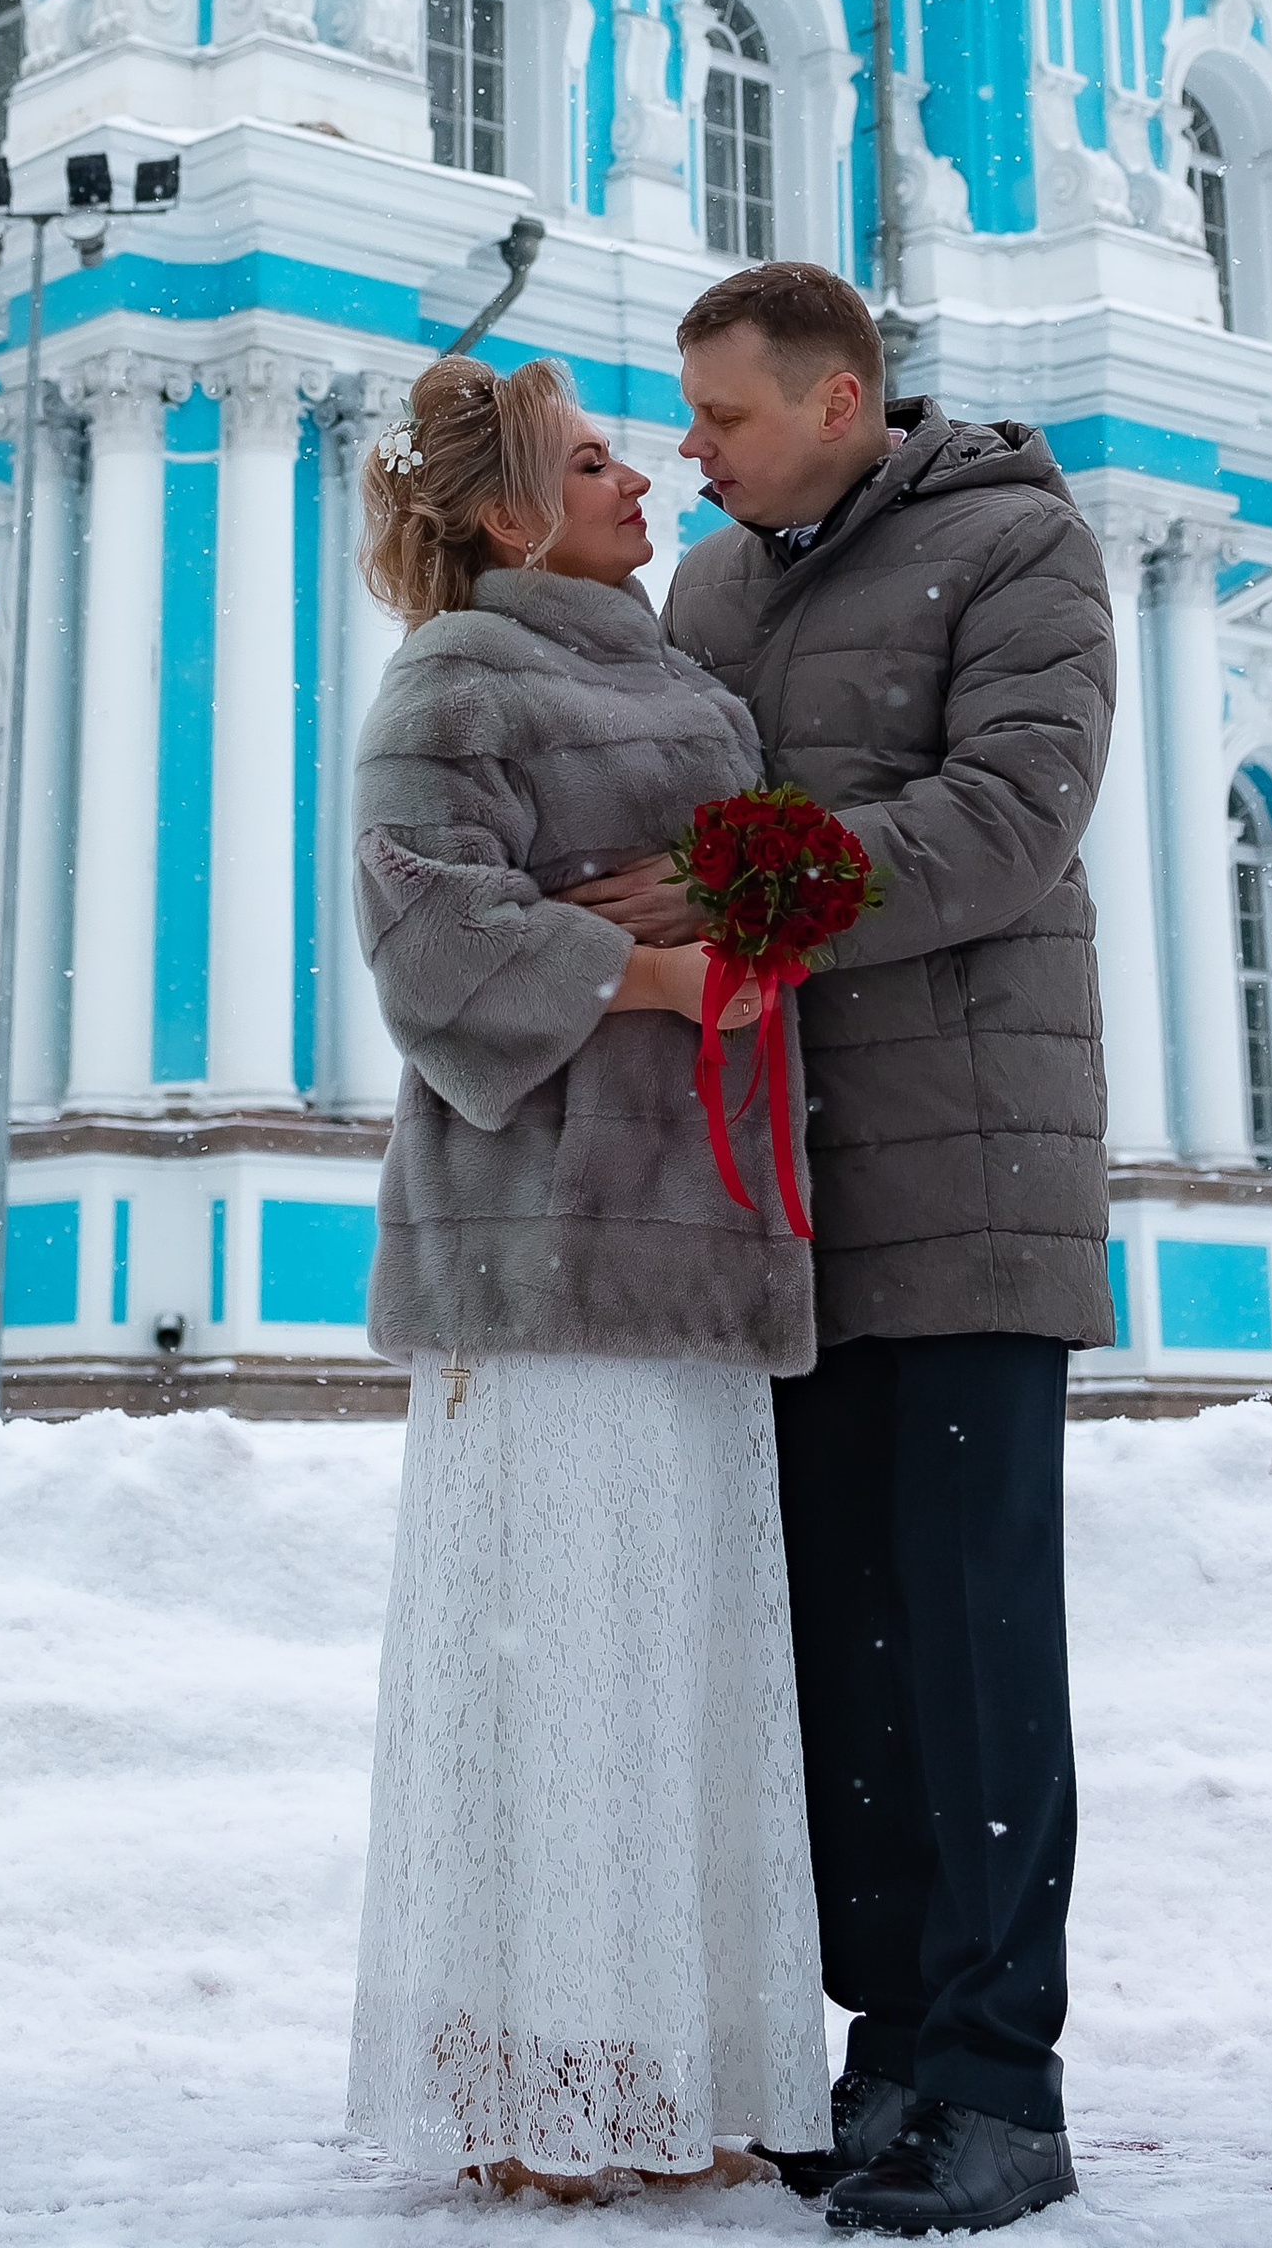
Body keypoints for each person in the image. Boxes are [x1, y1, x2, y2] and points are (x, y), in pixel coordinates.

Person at [573, 262, 1116, 2238]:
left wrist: (725, 876)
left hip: (971, 1180)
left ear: (830, 402)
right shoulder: (713, 590)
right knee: (840, 1656)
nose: (684, 453)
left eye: (714, 419)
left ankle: (999, 2085)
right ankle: (884, 2044)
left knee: (973, 1657)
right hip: (781, 1193)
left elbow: (1004, 824)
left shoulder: (1017, 545)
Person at [343, 352, 830, 2197]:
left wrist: (739, 905)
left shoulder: (680, 673)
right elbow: (423, 927)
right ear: (501, 512)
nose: (646, 480)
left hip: (704, 1223)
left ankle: (666, 2066)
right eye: (597, 459)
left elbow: (741, 890)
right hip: (545, 1241)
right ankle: (526, 2091)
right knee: (559, 1670)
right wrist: (644, 964)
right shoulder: (463, 669)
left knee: (678, 1667)